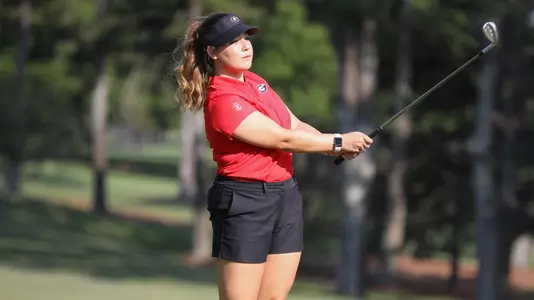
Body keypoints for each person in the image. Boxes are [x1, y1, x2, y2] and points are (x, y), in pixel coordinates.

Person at [174, 12, 373, 300]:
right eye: (233, 41)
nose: (245, 46)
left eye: (245, 38)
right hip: (245, 202)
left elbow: (292, 124)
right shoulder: (222, 100)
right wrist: (339, 140)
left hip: (285, 196)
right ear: (212, 52)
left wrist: (333, 146)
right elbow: (283, 139)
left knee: (274, 297)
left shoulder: (256, 82)